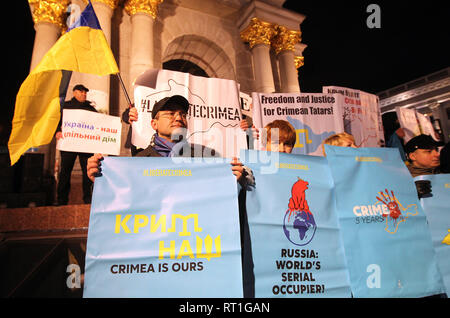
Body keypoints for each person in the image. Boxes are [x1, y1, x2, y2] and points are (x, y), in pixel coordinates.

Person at [87, 95, 249, 185]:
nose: (178, 117)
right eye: (170, 114)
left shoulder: (209, 157)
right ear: (154, 123)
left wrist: (236, 181)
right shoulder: (139, 161)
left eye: (183, 114)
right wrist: (100, 180)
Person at [55, 84, 97, 205]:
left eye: (85, 92)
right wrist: (57, 131)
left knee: (88, 171)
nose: (84, 94)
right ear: (74, 93)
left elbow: (99, 122)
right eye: (81, 91)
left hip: (85, 145)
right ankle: (62, 199)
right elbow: (57, 121)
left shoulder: (91, 108)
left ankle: (88, 199)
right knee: (65, 172)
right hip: (69, 144)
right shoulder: (66, 106)